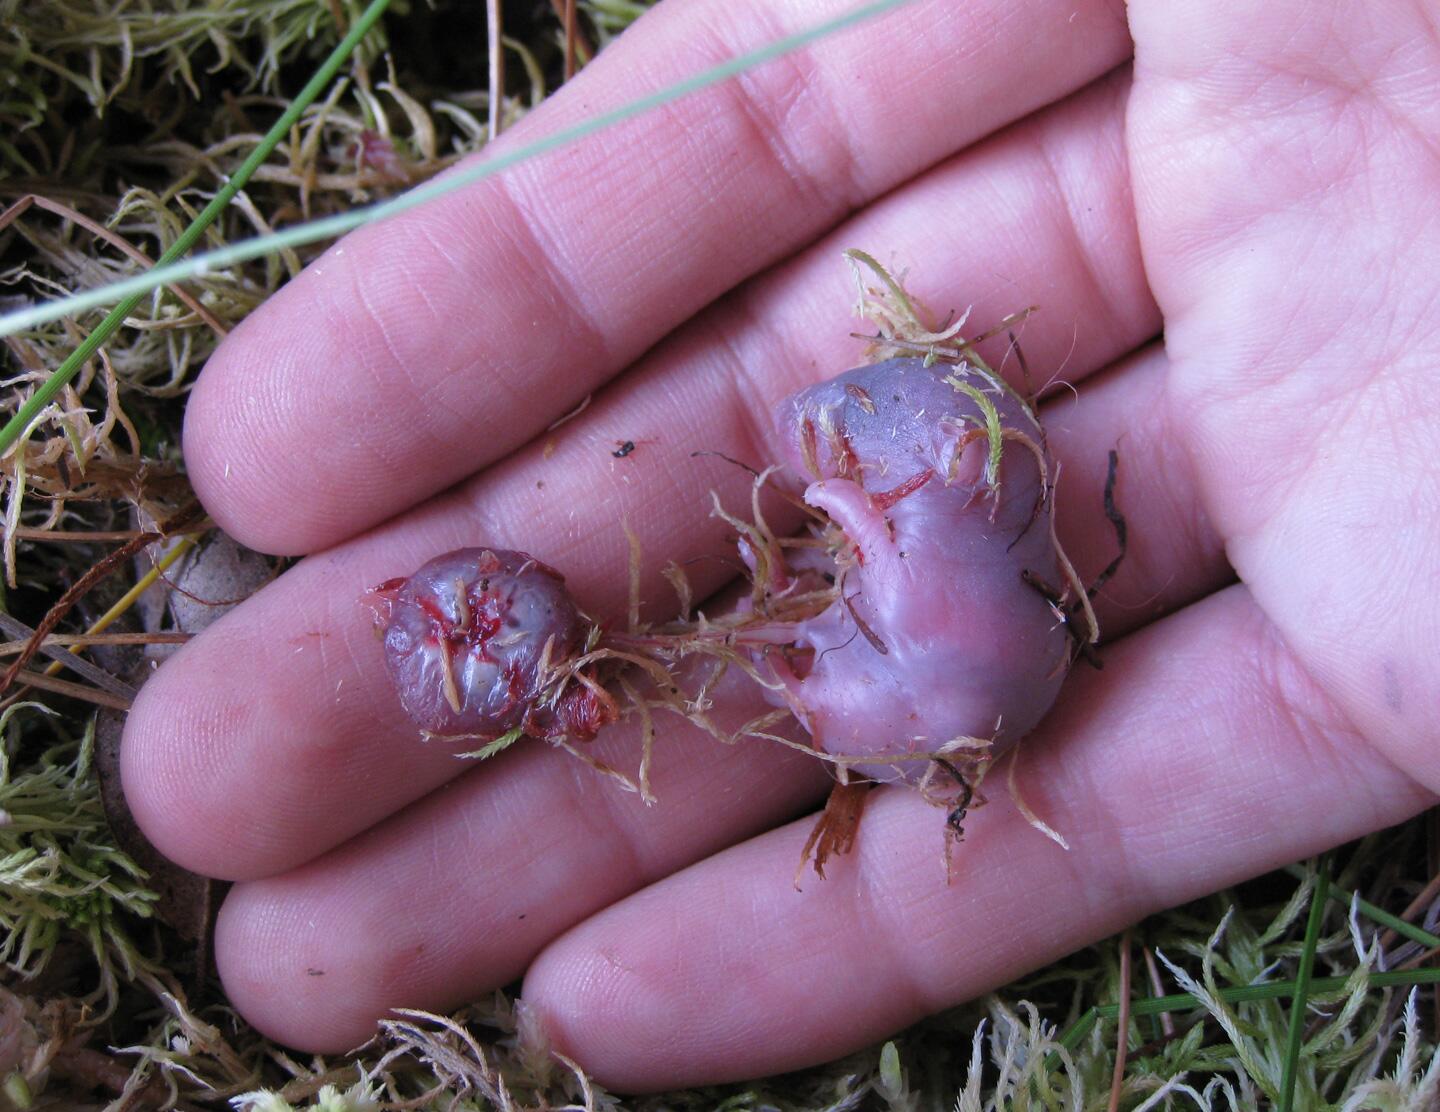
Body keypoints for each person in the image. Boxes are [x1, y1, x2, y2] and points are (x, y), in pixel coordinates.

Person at [119, 0, 1440, 1092]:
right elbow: (880, 559)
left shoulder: (912, 562)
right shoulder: (909, 571)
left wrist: (844, 552)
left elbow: (884, 556)